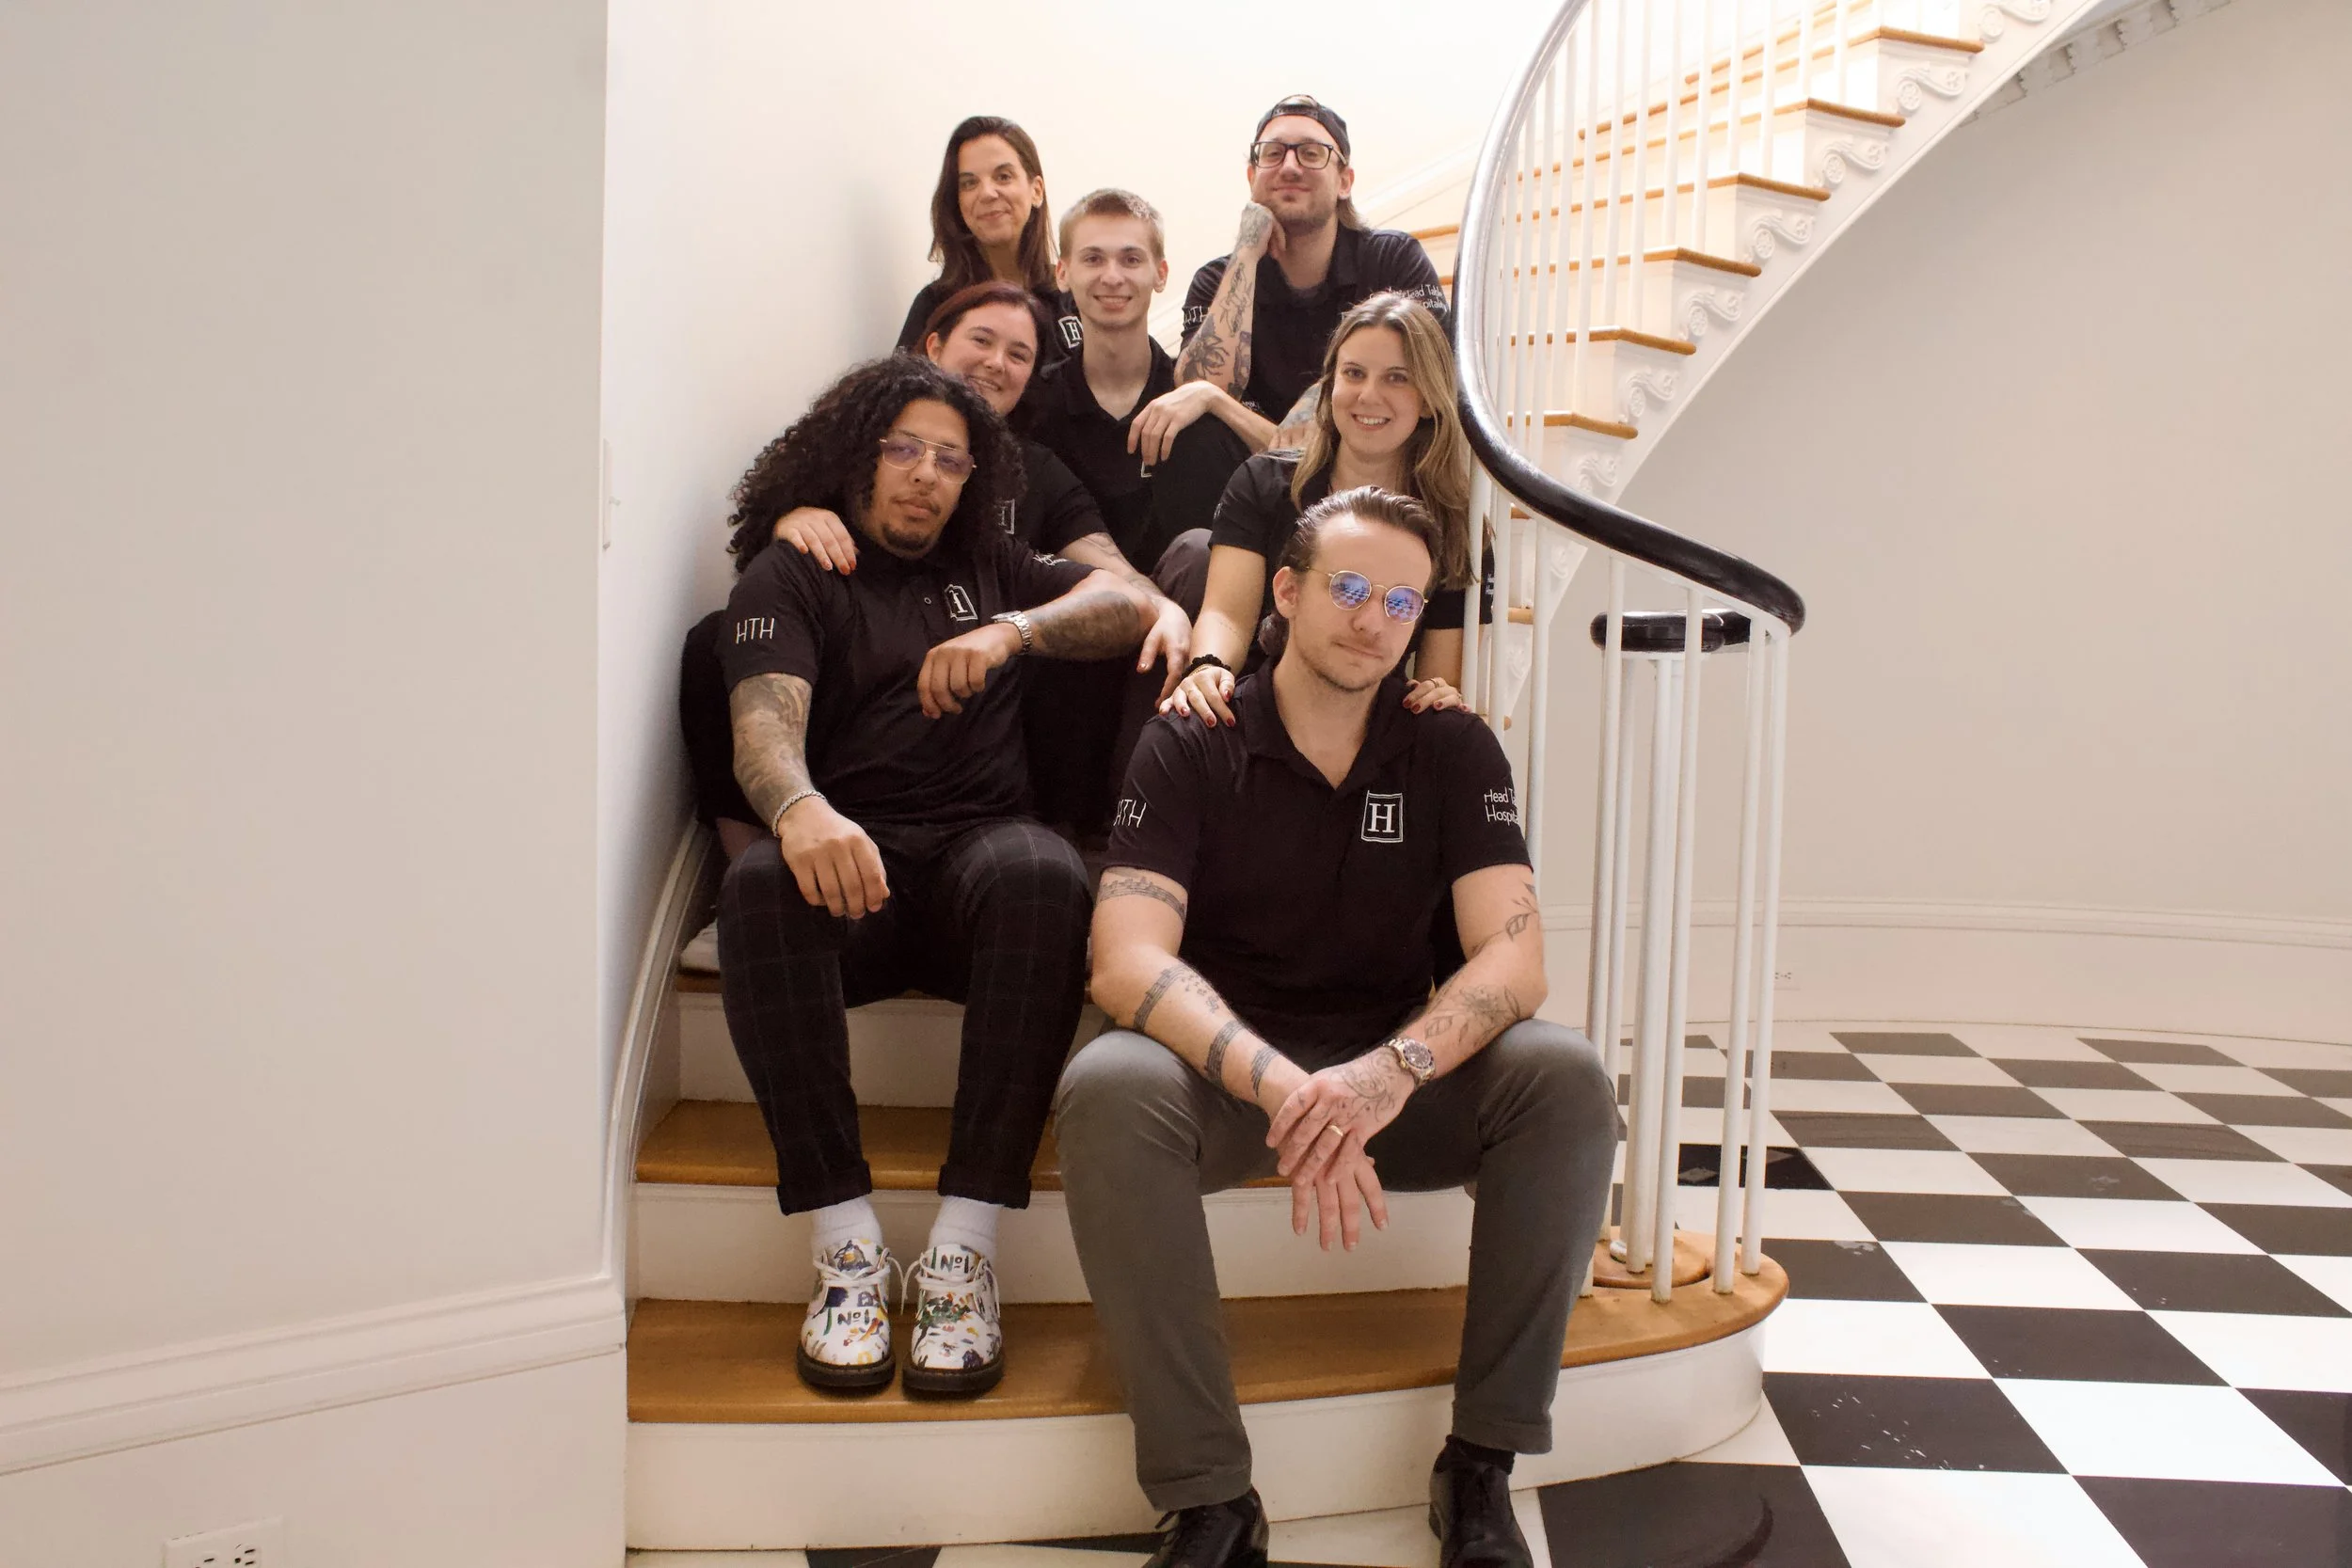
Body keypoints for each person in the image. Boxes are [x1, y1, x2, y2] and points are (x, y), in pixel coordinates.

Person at [1056, 486, 1617, 1568]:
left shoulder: (1451, 747)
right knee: (1107, 1084)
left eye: (1401, 601)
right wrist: (1282, 1085)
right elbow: (1124, 959)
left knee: (1563, 1076)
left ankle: (1482, 1461)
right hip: (1230, 1081)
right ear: (1285, 592)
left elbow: (1517, 957)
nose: (1373, 619)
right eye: (1350, 588)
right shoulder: (1192, 735)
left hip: (1390, 1075)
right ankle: (1210, 1496)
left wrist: (1388, 1072)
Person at [708, 355, 1153, 1398]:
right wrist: (805, 808)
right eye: (902, 449)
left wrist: (1014, 630)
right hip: (850, 875)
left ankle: (964, 1246)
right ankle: (846, 1243)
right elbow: (761, 732)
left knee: (1045, 870)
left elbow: (1129, 600)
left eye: (949, 459)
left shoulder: (993, 561)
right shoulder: (793, 571)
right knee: (758, 886)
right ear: (854, 454)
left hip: (975, 866)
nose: (924, 475)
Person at [747, 279, 1192, 834]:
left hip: (990, 671)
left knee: (1080, 645)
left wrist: (1163, 608)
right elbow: (778, 515)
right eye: (981, 340)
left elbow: (1113, 578)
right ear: (932, 346)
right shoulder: (858, 436)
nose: (996, 363)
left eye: (1019, 354)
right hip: (856, 663)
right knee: (720, 645)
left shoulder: (1035, 479)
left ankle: (1084, 833)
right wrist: (788, 517)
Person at [1165, 293, 1486, 730]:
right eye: (1353, 374)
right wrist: (1205, 667)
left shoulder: (1456, 524)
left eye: (1397, 378)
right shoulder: (1263, 482)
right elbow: (1226, 615)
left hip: (1360, 715)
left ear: (1430, 399)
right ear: (1331, 385)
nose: (1368, 396)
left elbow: (1436, 674)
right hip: (1247, 706)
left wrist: (1437, 691)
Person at [1177, 96, 1450, 450]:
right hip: (1253, 480)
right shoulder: (1217, 280)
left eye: (1311, 153)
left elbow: (1436, 371)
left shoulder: (1391, 258)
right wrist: (1245, 252)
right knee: (1190, 431)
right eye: (1272, 153)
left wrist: (1322, 395)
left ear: (1344, 182)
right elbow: (1200, 391)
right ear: (1252, 176)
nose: (1289, 167)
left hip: (1370, 468)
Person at [1030, 188, 1259, 583]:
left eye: (1131, 259)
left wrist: (1213, 398)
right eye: (1093, 258)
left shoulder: (1194, 401)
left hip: (1195, 621)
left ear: (1161, 274)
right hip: (1074, 617)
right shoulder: (1034, 405)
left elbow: (1295, 466)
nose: (1112, 276)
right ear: (1062, 273)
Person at [896, 116, 1077, 372]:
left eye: (1003, 177)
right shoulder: (936, 305)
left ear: (1036, 190)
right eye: (969, 183)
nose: (987, 193)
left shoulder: (1074, 292)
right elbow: (901, 404)